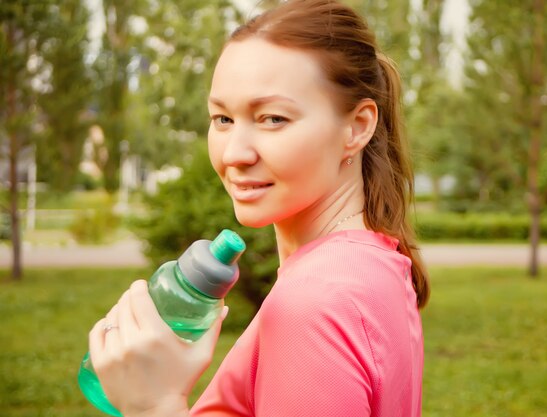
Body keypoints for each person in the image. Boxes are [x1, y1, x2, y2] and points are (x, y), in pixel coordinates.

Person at [88, 0, 430, 416]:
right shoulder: (373, 261)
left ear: (357, 127)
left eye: (272, 118)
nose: (234, 153)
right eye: (223, 119)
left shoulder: (315, 301)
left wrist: (154, 406)